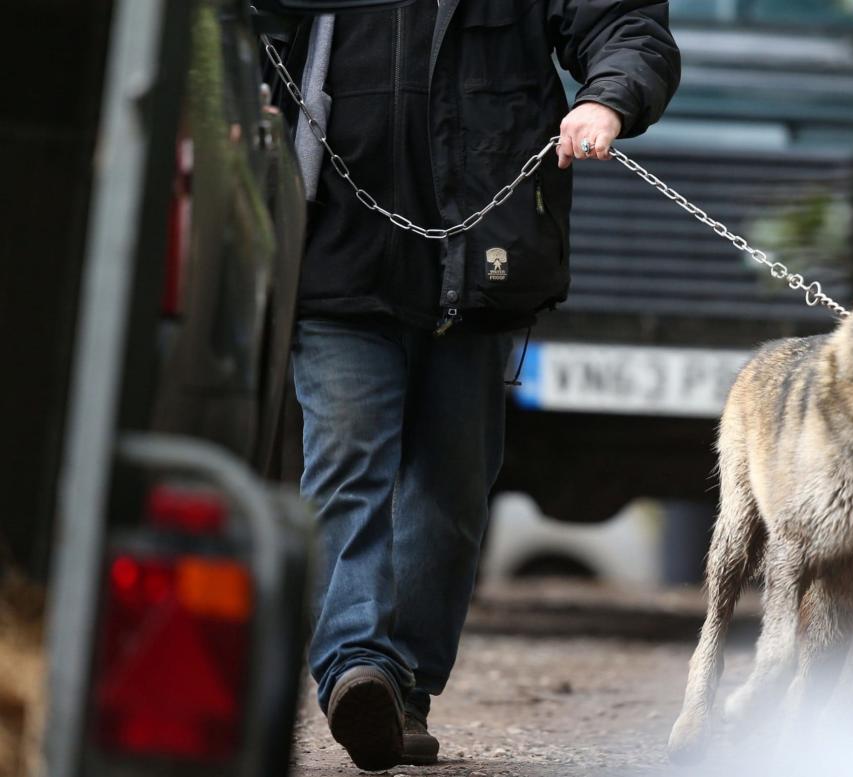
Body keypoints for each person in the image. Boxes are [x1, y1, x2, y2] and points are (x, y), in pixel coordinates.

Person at [274, 1, 679, 770]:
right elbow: (246, 33)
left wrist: (606, 98)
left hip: (481, 260)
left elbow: (624, 23)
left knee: (452, 487)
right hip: (335, 252)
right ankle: (355, 664)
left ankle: (404, 689)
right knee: (346, 464)